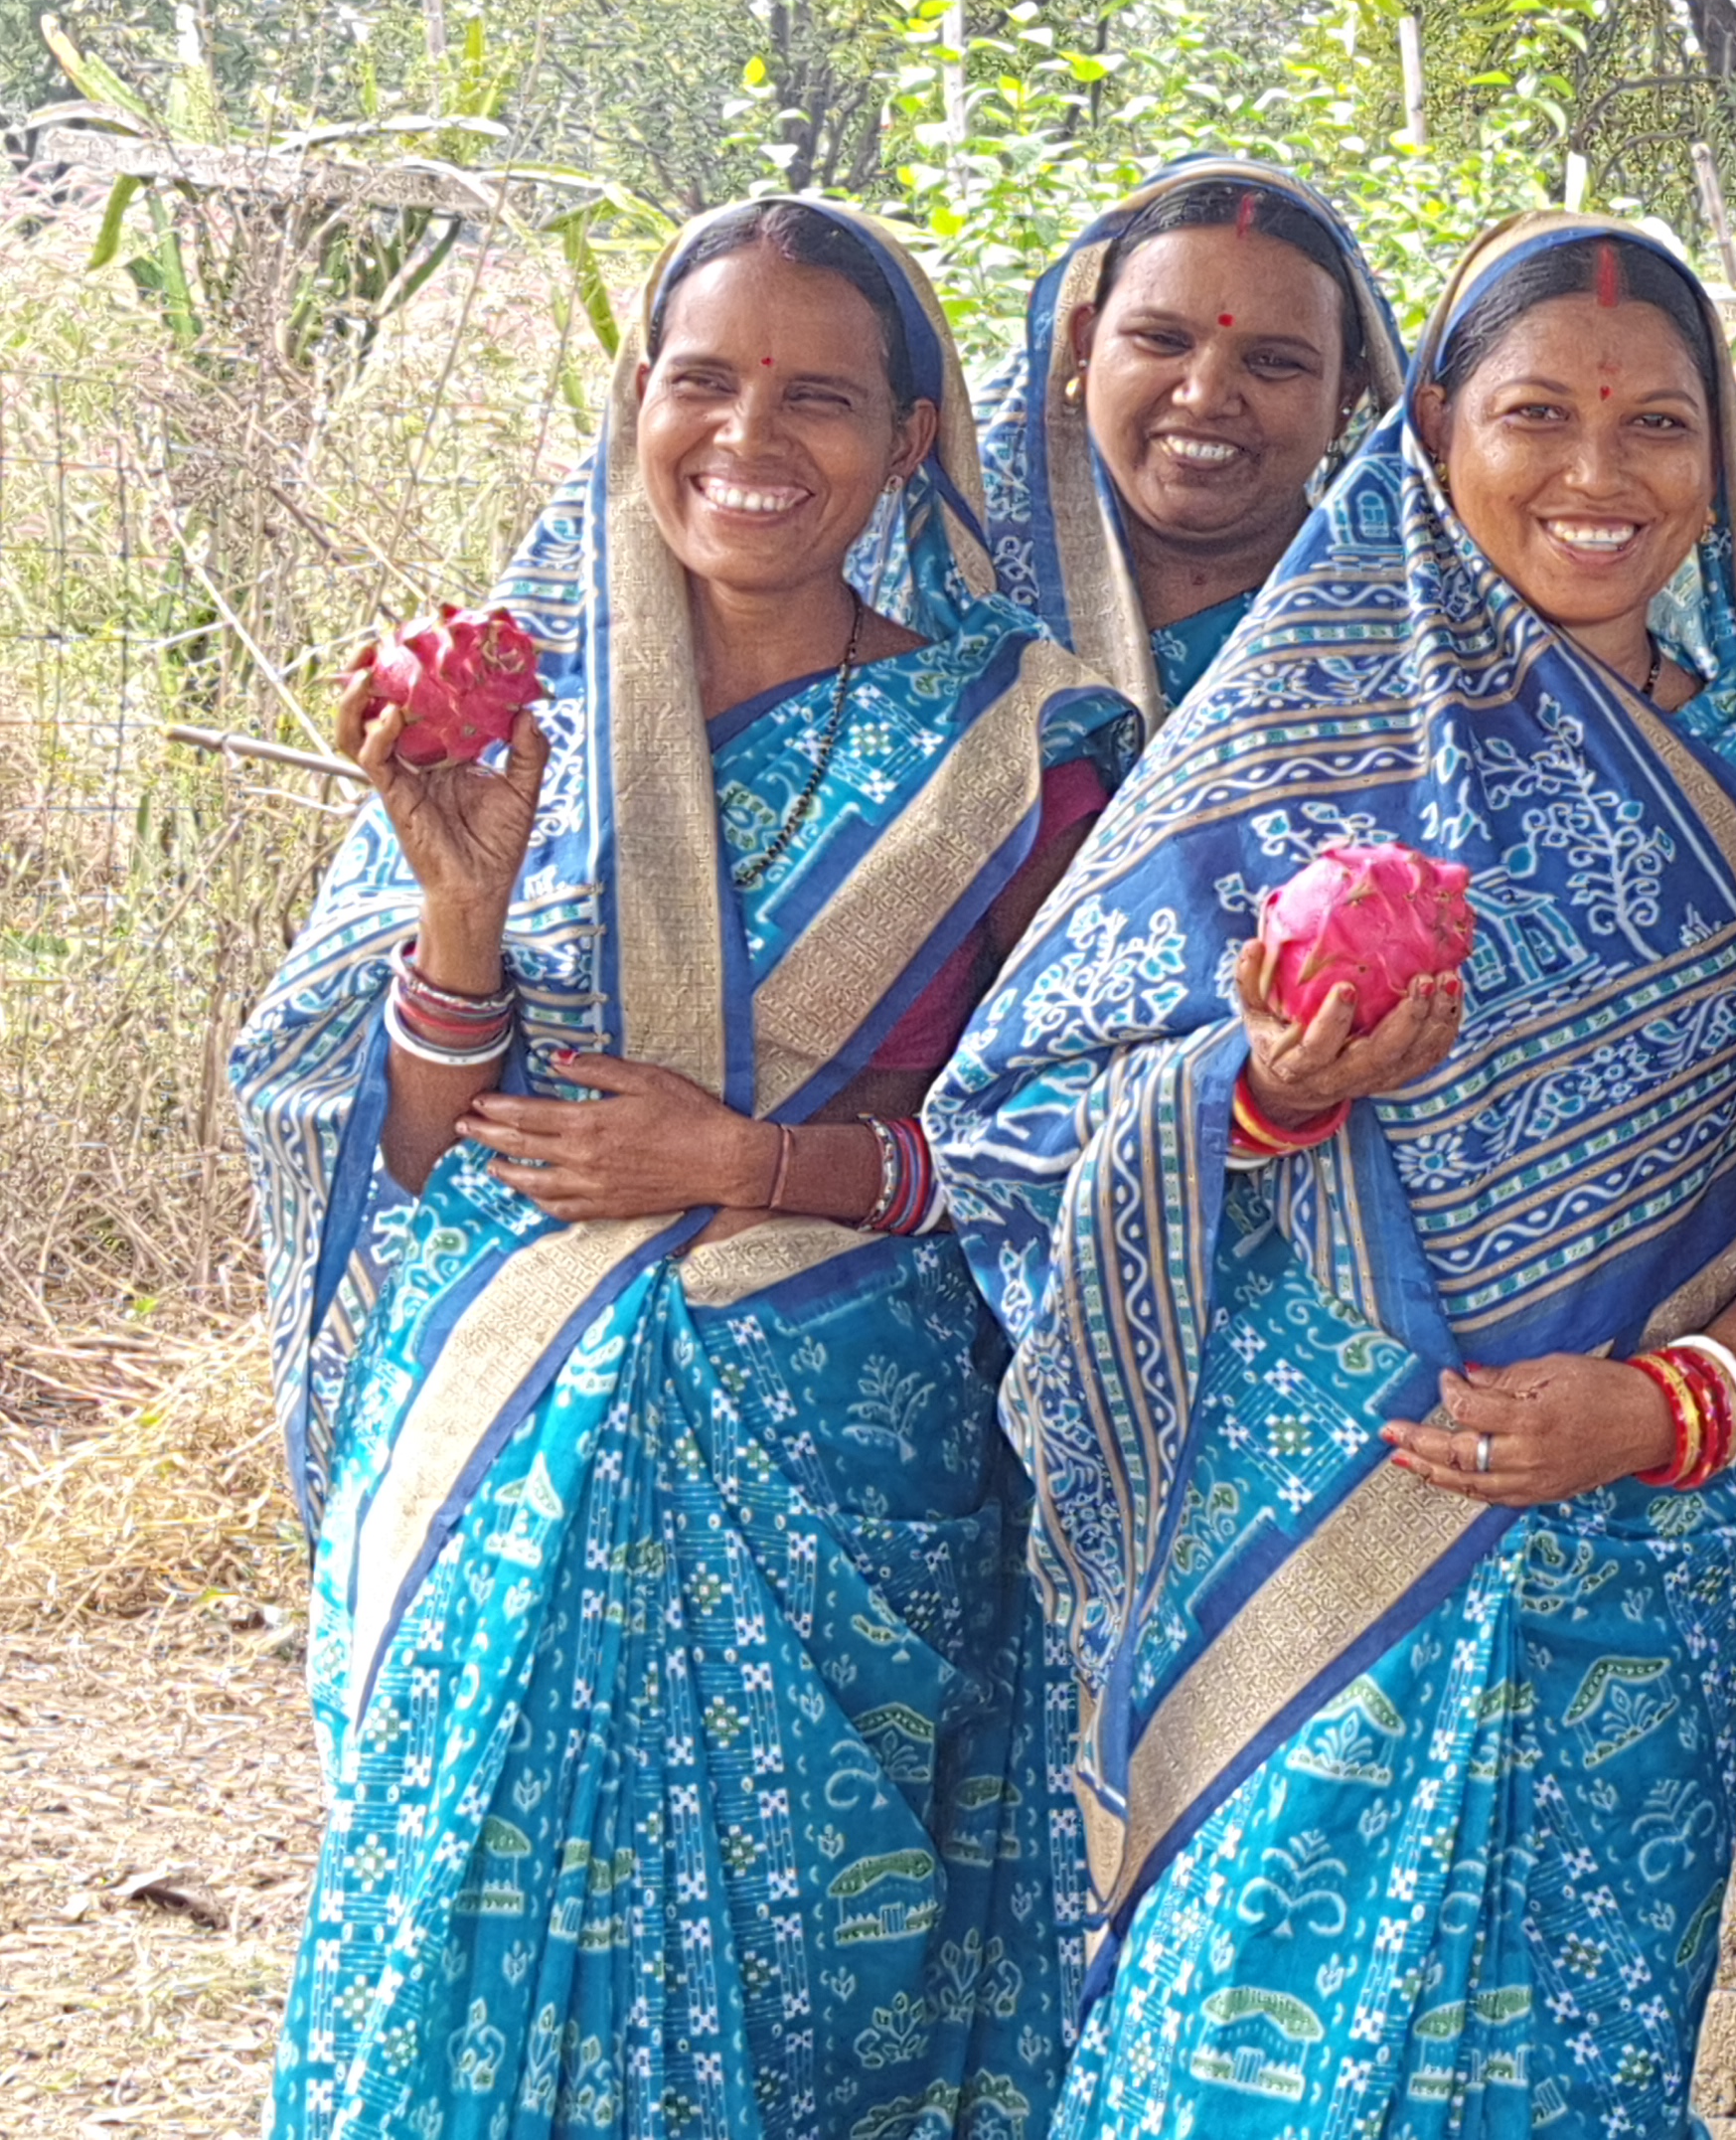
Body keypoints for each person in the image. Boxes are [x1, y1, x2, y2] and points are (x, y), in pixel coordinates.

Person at [931, 214, 1736, 2137]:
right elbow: (1021, 1115)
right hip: (1295, 1523)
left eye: (1654, 423)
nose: (1594, 473)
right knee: (1230, 2057)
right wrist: (1266, 1093)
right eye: (1536, 413)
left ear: (1719, 455)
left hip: (1624, 1547)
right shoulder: (1283, 746)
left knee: (1550, 2065)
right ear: (1433, 433)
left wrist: (1656, 1407)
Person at [230, 197, 1137, 2139]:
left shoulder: (1019, 738)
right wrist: (460, 915)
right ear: (637, 397)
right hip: (505, 1440)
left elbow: (1058, 1160)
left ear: (909, 442)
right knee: (456, 1954)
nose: (751, 435)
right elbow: (392, 1142)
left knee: (804, 2019)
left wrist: (754, 1159)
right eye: (704, 381)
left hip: (841, 1484)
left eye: (819, 396)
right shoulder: (502, 704)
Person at [979, 159, 1409, 720]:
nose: (1205, 396)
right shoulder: (949, 586)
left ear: (1344, 398)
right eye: (1162, 340)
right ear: (1084, 343)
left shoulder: (1410, 636)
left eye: (1273, 362)